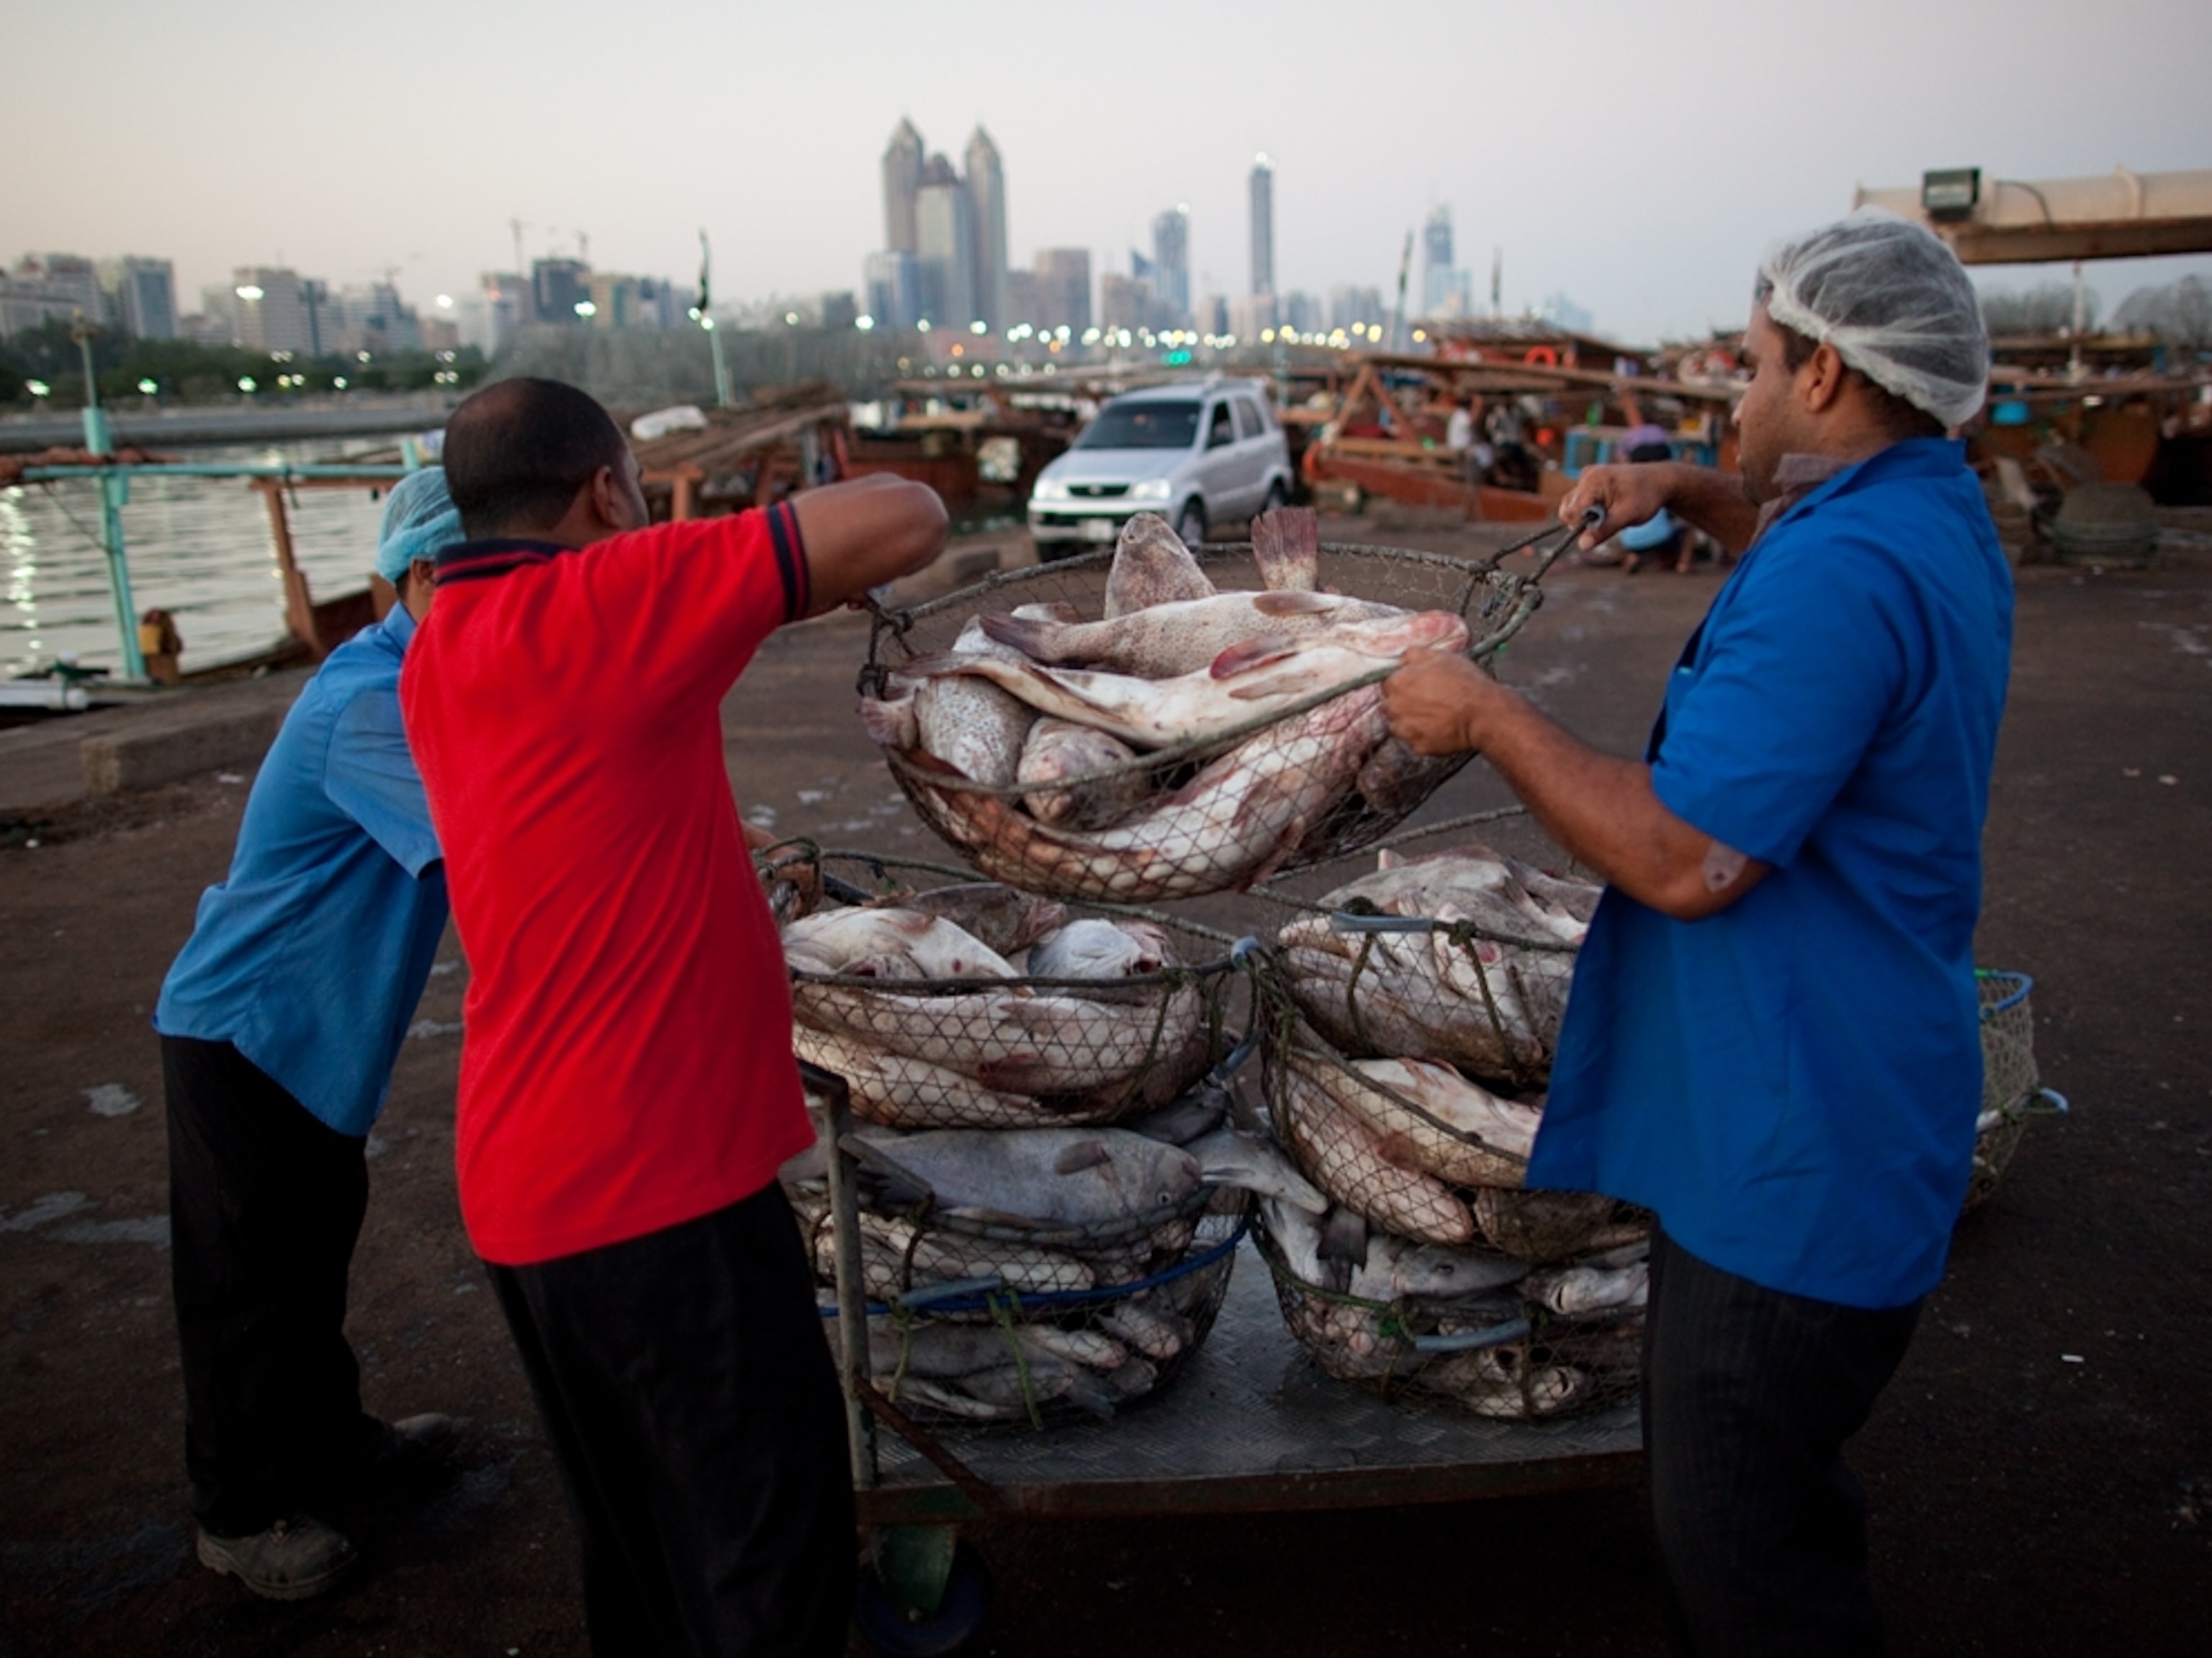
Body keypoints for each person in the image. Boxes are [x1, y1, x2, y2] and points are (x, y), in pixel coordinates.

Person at [1381, 210, 2007, 1654]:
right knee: (1772, 1495)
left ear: (1832, 379)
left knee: (1744, 1562)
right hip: (1856, 1094)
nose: (1740, 384)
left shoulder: (1843, 580)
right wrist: (1701, 492)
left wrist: (1483, 714)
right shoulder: (1924, 509)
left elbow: (1685, 856)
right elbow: (1803, 537)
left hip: (1797, 1157)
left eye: (1758, 360)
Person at [397, 378, 946, 1657]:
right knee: (769, 1566)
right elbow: (908, 514)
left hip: (526, 1193)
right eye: (632, 484)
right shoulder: (602, 599)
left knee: (647, 1562)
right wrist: (669, 553)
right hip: (661, 1200)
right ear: (603, 491)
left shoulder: (439, 647)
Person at [156, 467, 464, 1600]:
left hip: (317, 1040)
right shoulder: (368, 705)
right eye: (489, 583)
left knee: (310, 1247)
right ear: (425, 578)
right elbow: (493, 848)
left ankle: (332, 1444)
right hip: (248, 1028)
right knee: (244, 1285)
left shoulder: (427, 678)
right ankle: (237, 1513)